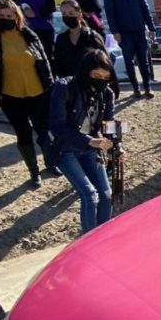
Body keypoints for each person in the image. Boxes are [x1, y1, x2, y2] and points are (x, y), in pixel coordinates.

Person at [0, 0, 55, 189]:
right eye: (1, 15)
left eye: (9, 15)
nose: (5, 19)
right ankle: (34, 172)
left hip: (37, 91)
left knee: (43, 129)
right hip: (10, 95)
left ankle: (50, 163)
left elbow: (44, 62)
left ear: (17, 16)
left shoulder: (28, 34)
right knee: (23, 133)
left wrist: (49, 86)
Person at [49, 49, 116, 235]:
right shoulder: (65, 87)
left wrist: (118, 147)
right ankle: (89, 240)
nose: (100, 80)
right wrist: (89, 141)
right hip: (65, 148)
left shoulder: (107, 93)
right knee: (90, 195)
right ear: (85, 72)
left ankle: (103, 235)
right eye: (96, 75)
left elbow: (110, 123)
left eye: (105, 76)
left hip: (90, 149)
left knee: (106, 194)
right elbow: (57, 126)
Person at [104, 0, 157, 99]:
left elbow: (145, 10)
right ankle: (135, 89)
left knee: (143, 62)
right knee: (129, 62)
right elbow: (110, 14)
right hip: (124, 34)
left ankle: (147, 87)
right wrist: (115, 31)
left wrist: (151, 28)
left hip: (140, 32)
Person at [54, 0, 106, 79]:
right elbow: (58, 64)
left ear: (79, 14)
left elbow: (105, 62)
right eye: (64, 14)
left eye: (71, 13)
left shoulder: (92, 36)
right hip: (70, 86)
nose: (67, 17)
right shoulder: (61, 39)